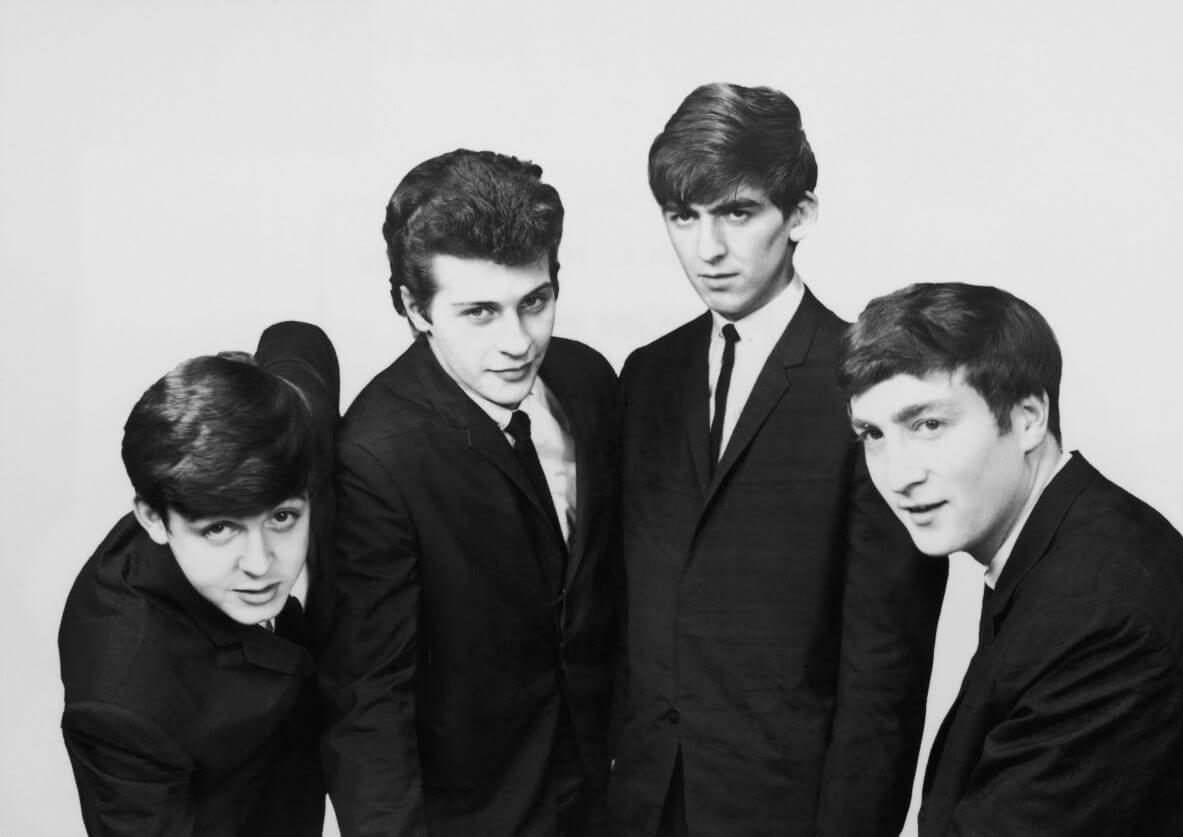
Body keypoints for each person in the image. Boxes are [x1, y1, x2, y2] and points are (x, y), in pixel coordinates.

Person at [611, 82, 948, 836]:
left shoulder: (869, 383)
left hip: (786, 813)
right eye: (683, 217)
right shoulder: (646, 375)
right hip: (641, 803)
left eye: (737, 211)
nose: (709, 249)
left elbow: (884, 678)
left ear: (799, 214)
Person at [838, 281, 1183, 835]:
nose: (898, 474)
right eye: (873, 434)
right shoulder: (1065, 538)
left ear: (1028, 417)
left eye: (928, 424)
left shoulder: (1099, 616)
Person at [320, 149, 619, 836]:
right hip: (476, 817)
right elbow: (369, 698)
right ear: (412, 307)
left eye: (535, 302)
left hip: (604, 798)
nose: (518, 341)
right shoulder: (375, 453)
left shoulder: (588, 381)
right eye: (479, 312)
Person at [58, 321, 339, 836]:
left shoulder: (293, 435)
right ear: (153, 519)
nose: (260, 563)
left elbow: (298, 338)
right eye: (220, 529)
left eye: (281, 518)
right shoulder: (122, 706)